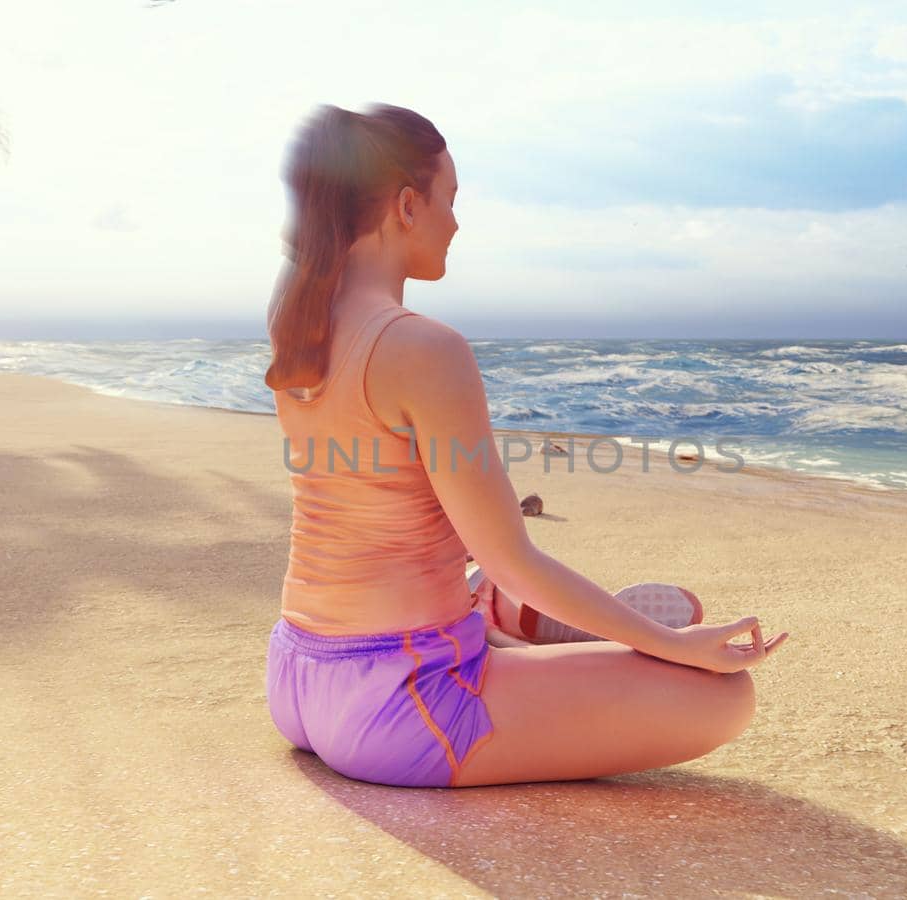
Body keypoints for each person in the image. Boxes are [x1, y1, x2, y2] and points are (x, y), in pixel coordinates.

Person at [263, 103, 787, 789]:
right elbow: (512, 556)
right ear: (407, 205)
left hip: (297, 677)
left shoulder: (298, 318)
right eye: (450, 200)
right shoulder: (422, 346)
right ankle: (497, 616)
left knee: (450, 557)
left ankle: (494, 621)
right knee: (720, 696)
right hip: (402, 707)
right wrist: (670, 644)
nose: (456, 222)